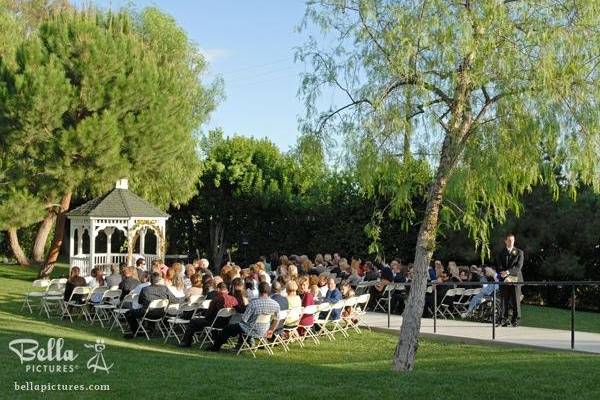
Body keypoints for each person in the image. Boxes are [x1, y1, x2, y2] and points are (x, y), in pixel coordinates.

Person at [210, 282, 280, 351]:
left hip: (250, 329)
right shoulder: (275, 304)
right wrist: (271, 330)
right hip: (264, 330)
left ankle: (215, 348)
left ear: (259, 290)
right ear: (269, 290)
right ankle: (241, 345)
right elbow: (277, 319)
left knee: (228, 328)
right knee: (238, 327)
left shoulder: (254, 303)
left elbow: (244, 319)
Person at [178, 282, 238, 348]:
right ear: (227, 290)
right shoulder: (234, 299)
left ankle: (186, 342)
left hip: (215, 323)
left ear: (218, 289)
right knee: (198, 321)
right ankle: (213, 338)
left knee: (193, 321)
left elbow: (208, 315)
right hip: (227, 324)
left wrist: (203, 316)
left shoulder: (216, 299)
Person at [123, 272, 183, 338]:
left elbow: (140, 302)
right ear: (159, 280)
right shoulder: (165, 288)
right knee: (150, 310)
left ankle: (136, 331)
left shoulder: (145, 289)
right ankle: (150, 329)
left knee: (128, 313)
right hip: (161, 313)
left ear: (150, 280)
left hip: (148, 313)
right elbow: (174, 300)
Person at [496, 233, 524, 327]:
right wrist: (505, 276)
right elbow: (499, 266)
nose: (511, 242)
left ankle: (515, 320)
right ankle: (503, 319)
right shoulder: (501, 253)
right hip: (504, 280)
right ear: (505, 241)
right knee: (504, 300)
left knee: (516, 301)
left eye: (512, 240)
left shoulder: (519, 252)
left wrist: (508, 272)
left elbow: (518, 267)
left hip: (516, 280)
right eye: (509, 240)